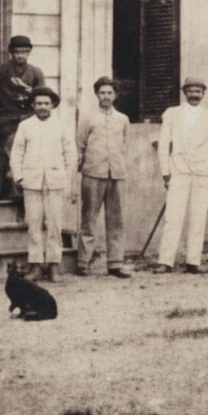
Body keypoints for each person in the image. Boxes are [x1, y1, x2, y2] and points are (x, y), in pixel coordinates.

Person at [10, 86, 77, 282]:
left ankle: (54, 266)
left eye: (46, 104)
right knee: (34, 225)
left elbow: (71, 154)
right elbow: (17, 153)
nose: (42, 107)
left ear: (53, 105)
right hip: (32, 183)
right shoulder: (25, 126)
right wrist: (20, 177)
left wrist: (66, 176)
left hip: (55, 182)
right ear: (33, 105)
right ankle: (36, 266)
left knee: (55, 225)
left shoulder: (62, 126)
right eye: (38, 104)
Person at [152, 77, 208, 274]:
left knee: (198, 217)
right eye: (191, 91)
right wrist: (166, 172)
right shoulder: (172, 114)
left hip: (202, 173)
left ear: (203, 94)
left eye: (198, 91)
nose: (195, 95)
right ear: (185, 92)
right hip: (178, 171)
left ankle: (193, 261)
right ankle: (165, 261)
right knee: (173, 217)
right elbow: (164, 144)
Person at [76, 76, 131, 278]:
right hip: (93, 172)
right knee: (89, 218)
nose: (106, 96)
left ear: (115, 95)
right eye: (102, 93)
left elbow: (125, 145)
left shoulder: (122, 119)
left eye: (109, 93)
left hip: (116, 173)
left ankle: (115, 263)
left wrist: (117, 165)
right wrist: (85, 166)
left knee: (116, 220)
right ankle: (83, 262)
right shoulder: (88, 117)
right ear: (97, 94)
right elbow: (80, 144)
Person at [0, 35, 45, 196]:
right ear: (11, 53)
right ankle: (10, 191)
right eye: (17, 52)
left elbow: (42, 95)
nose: (21, 55)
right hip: (7, 118)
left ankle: (27, 189)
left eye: (25, 52)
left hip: (28, 118)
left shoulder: (35, 72)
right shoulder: (1, 72)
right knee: (11, 148)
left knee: (30, 151)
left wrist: (30, 94)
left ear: (29, 53)